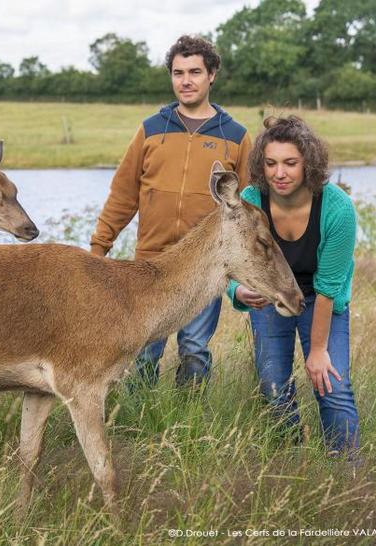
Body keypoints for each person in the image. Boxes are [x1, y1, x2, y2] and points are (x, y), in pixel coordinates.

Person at [90, 35, 252, 387]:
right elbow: (123, 195)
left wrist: (241, 275)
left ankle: (190, 431)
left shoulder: (236, 136)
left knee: (194, 350)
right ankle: (138, 426)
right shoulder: (150, 130)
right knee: (144, 352)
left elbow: (247, 211)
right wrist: (98, 248)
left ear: (212, 75)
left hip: (204, 267)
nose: (186, 81)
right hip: (150, 265)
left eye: (195, 72)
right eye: (178, 73)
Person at [227, 115, 359, 454]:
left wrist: (317, 351)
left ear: (308, 164)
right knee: (273, 386)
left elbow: (329, 287)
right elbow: (230, 260)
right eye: (270, 163)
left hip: (321, 298)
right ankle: (290, 461)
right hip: (273, 299)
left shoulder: (337, 209)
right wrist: (238, 291)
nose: (279, 173)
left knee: (331, 384)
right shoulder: (250, 199)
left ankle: (346, 472)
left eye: (290, 163)